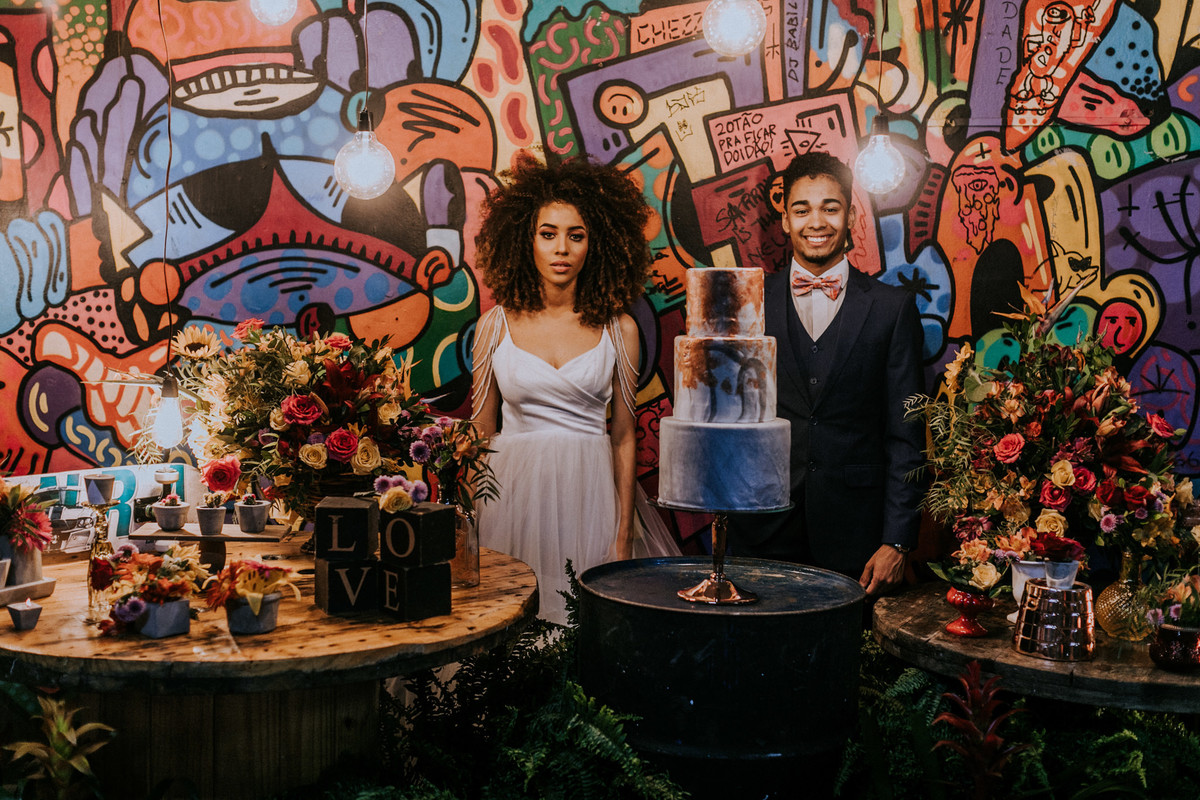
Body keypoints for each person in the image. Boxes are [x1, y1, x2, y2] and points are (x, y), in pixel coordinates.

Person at [470, 153, 679, 625]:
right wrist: (469, 523)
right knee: (510, 630)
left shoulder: (619, 329)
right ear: (525, 239)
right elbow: (479, 433)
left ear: (596, 244)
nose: (561, 248)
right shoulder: (493, 326)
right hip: (509, 496)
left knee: (582, 628)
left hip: (590, 494)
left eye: (576, 235)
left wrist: (623, 531)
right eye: (548, 234)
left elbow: (623, 435)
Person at [727, 151, 925, 597]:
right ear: (785, 219)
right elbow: (727, 420)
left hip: (859, 540)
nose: (816, 222)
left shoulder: (891, 309)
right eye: (802, 209)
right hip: (761, 530)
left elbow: (907, 436)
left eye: (830, 208)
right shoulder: (748, 302)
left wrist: (898, 540)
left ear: (851, 216)